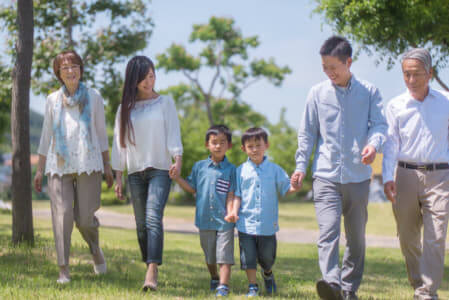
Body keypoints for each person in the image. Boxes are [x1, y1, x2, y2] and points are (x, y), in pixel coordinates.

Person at [291, 36, 387, 300]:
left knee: (356, 239)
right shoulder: (317, 93)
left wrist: (373, 145)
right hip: (325, 175)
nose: (329, 72)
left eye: (333, 66)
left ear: (349, 62)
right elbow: (307, 134)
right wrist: (300, 166)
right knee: (328, 231)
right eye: (324, 67)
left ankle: (348, 288)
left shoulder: (369, 91)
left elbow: (380, 125)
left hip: (358, 177)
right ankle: (331, 284)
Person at [33, 50, 114, 284]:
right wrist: (40, 170)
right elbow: (46, 136)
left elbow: (101, 133)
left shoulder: (94, 96)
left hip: (89, 163)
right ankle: (63, 269)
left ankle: (95, 248)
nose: (71, 70)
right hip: (59, 164)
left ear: (81, 69)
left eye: (75, 66)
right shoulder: (52, 100)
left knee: (85, 219)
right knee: (62, 216)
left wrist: (107, 165)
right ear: (58, 73)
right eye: (65, 67)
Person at [111, 56, 183, 291]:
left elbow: (173, 132)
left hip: (160, 169)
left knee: (153, 218)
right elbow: (119, 144)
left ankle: (152, 270)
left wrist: (177, 158)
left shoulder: (165, 103)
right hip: (134, 172)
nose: (148, 81)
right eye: (143, 78)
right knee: (141, 225)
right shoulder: (125, 109)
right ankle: (149, 263)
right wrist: (119, 176)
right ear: (133, 80)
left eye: (151, 75)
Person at [383, 48, 449, 300]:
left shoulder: (446, 102)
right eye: (406, 74)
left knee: (436, 236)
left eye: (416, 74)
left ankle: (426, 293)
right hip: (405, 175)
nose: (411, 80)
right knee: (408, 238)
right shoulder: (395, 105)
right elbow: (391, 146)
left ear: (430, 73)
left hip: (440, 176)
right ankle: (418, 283)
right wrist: (388, 177)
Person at [230, 127, 299, 297]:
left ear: (266, 145)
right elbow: (237, 195)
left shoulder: (275, 169)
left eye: (258, 145)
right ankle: (253, 285)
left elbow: (285, 188)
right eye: (250, 146)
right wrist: (234, 212)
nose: (254, 149)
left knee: (267, 258)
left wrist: (295, 186)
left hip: (268, 224)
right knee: (248, 258)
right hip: (246, 223)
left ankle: (267, 273)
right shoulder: (240, 171)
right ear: (243, 149)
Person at [170, 124, 236, 297]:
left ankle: (223, 285)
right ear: (207, 144)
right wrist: (177, 178)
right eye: (214, 142)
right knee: (210, 256)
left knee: (225, 255)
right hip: (204, 219)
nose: (218, 146)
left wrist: (231, 211)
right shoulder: (199, 167)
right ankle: (214, 276)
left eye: (223, 142)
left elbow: (231, 193)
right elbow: (192, 188)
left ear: (229, 145)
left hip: (224, 221)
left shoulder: (232, 170)